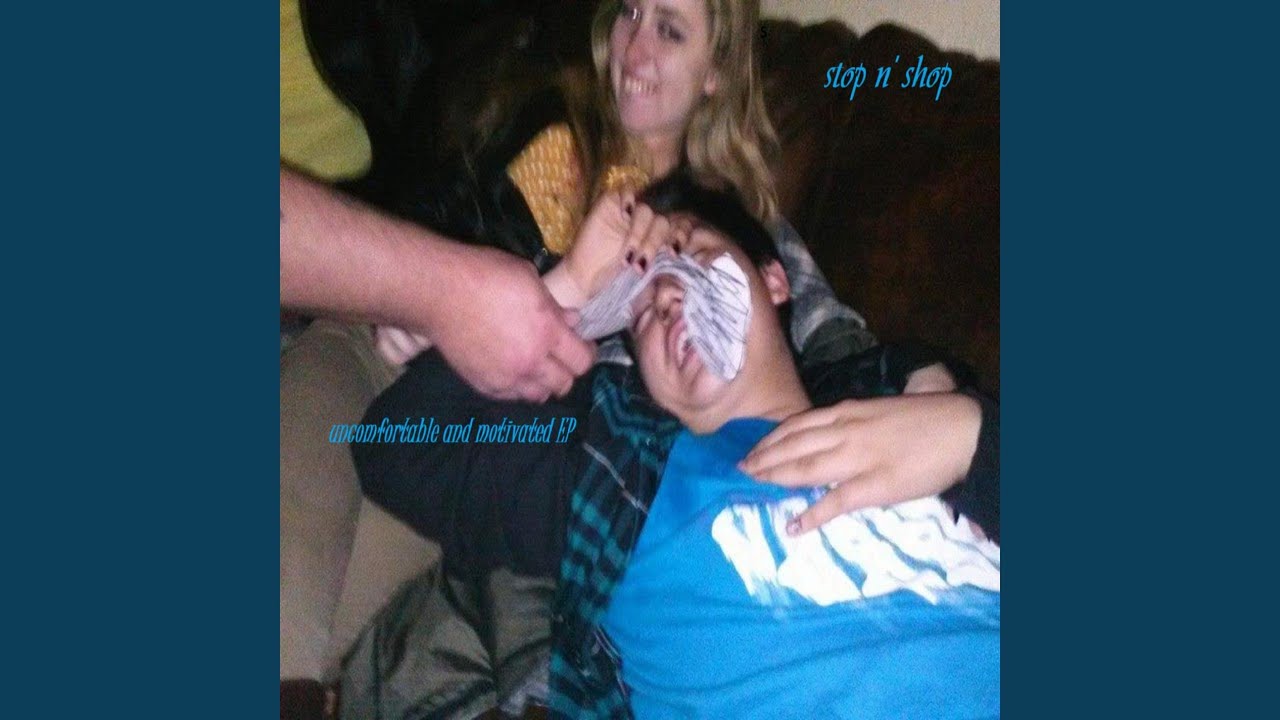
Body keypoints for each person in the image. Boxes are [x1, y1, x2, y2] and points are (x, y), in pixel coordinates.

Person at [549, 172, 999, 718]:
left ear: (775, 281)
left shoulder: (911, 406)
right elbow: (452, 436)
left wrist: (974, 437)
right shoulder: (620, 471)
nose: (666, 296)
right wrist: (569, 287)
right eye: (641, 314)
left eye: (692, 257)